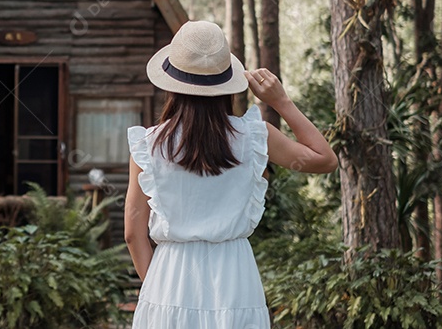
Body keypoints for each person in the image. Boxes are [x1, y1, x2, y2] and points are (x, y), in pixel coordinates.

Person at [125, 20, 338, 328]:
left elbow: (133, 233)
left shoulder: (148, 145)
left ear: (171, 82)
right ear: (227, 82)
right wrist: (281, 102)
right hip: (235, 280)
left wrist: (155, 287)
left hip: (169, 277)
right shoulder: (255, 136)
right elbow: (325, 160)